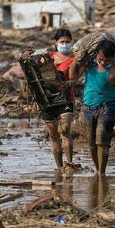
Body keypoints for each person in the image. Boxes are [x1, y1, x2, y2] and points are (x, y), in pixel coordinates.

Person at [70, 34, 115, 175]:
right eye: (101, 59)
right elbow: (73, 77)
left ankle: (101, 173)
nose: (103, 63)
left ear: (113, 57)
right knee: (91, 143)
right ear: (97, 54)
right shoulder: (89, 63)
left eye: (107, 60)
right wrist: (75, 61)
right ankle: (97, 169)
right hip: (88, 107)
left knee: (102, 141)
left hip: (107, 107)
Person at [42, 28, 77, 170]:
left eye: (67, 41)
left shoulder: (74, 60)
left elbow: (76, 78)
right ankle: (59, 167)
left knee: (64, 129)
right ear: (55, 43)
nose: (65, 44)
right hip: (48, 99)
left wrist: (68, 83)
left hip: (66, 98)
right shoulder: (46, 58)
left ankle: (69, 164)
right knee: (53, 134)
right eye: (62, 41)